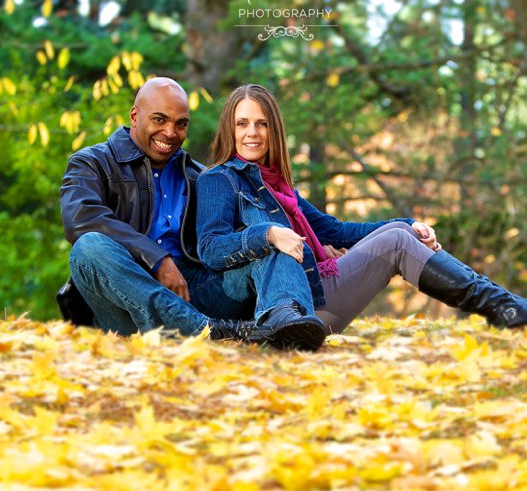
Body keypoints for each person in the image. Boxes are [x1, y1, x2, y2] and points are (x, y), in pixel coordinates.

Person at [196, 84, 527, 343]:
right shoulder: (219, 180)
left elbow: (340, 231)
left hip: (319, 291)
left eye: (261, 123)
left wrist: (409, 223)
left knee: (401, 236)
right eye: (242, 123)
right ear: (230, 127)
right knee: (395, 240)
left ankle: (503, 307)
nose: (252, 133)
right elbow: (210, 248)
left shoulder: (280, 187)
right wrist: (268, 235)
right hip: (291, 308)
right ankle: (503, 309)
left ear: (273, 129)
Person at [57, 78, 326, 348]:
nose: (170, 132)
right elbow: (81, 219)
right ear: (135, 116)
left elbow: (234, 235)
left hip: (195, 294)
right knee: (88, 247)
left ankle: (285, 324)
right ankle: (204, 330)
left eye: (180, 124)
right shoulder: (91, 162)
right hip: (124, 300)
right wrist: (157, 260)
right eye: (159, 120)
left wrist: (314, 243)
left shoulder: (199, 176)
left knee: (266, 241)